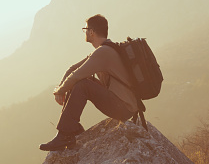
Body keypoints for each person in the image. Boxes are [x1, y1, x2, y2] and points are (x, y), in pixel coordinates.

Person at [39, 14, 139, 151]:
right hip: (121, 103)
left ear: (91, 32)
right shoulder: (104, 49)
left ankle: (65, 135)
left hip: (124, 107)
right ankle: (71, 130)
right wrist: (62, 87)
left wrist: (59, 91)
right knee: (81, 81)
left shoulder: (103, 52)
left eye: (85, 29)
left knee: (82, 84)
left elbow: (75, 76)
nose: (84, 32)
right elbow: (73, 69)